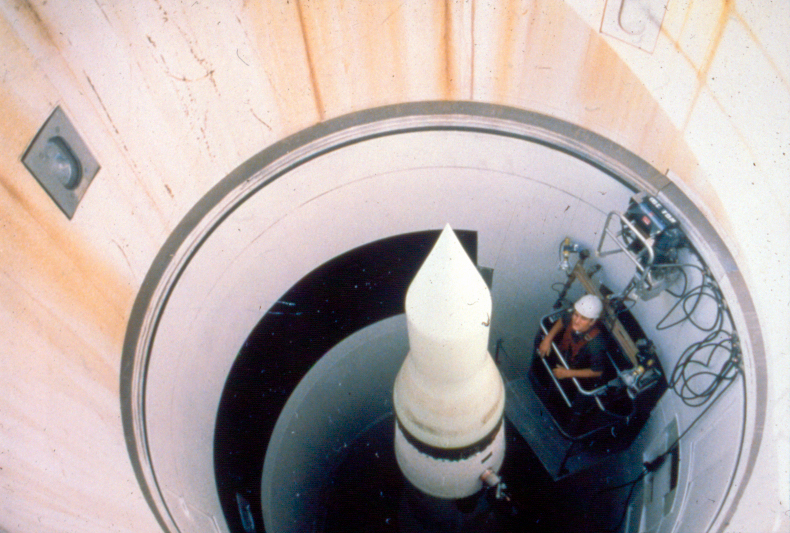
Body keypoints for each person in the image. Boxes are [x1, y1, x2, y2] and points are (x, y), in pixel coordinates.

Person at [536, 294, 606, 389]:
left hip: (576, 369)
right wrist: (548, 339)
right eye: (576, 315)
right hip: (564, 354)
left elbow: (597, 371)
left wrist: (568, 373)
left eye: (583, 319)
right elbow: (562, 321)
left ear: (592, 322)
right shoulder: (572, 316)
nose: (576, 321)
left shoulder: (596, 344)